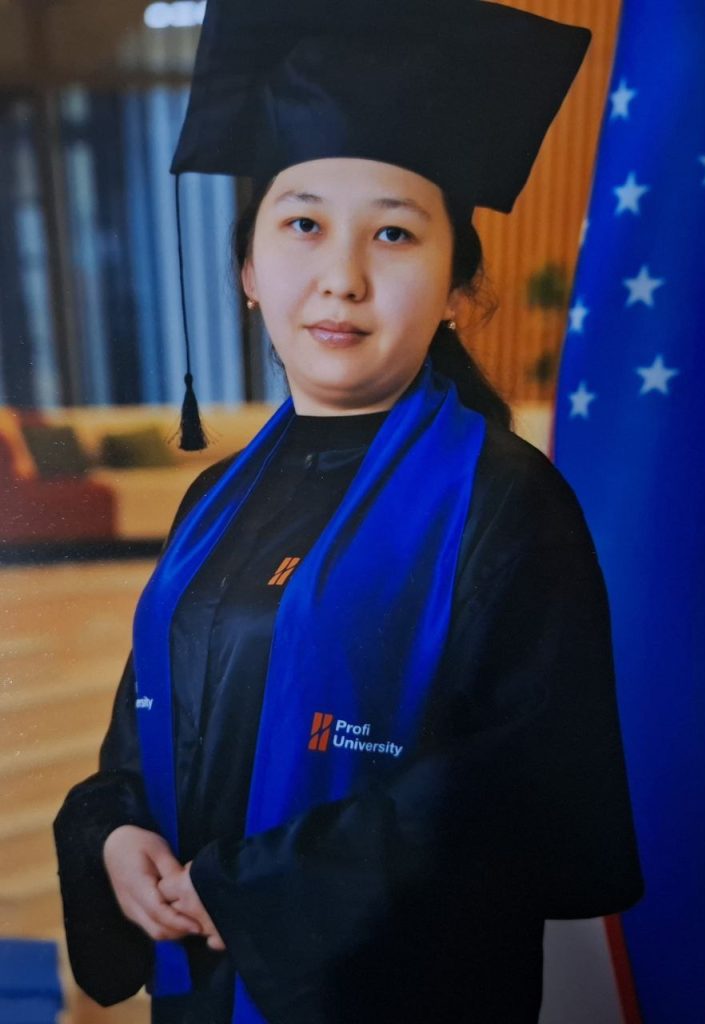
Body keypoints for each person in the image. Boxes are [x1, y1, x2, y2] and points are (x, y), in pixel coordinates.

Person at [54, 2, 643, 1022]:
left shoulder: (507, 503)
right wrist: (112, 833)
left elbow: (536, 807)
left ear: (459, 283)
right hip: (206, 988)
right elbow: (142, 740)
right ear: (247, 272)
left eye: (394, 232)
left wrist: (261, 889)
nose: (342, 276)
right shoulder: (214, 500)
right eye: (302, 223)